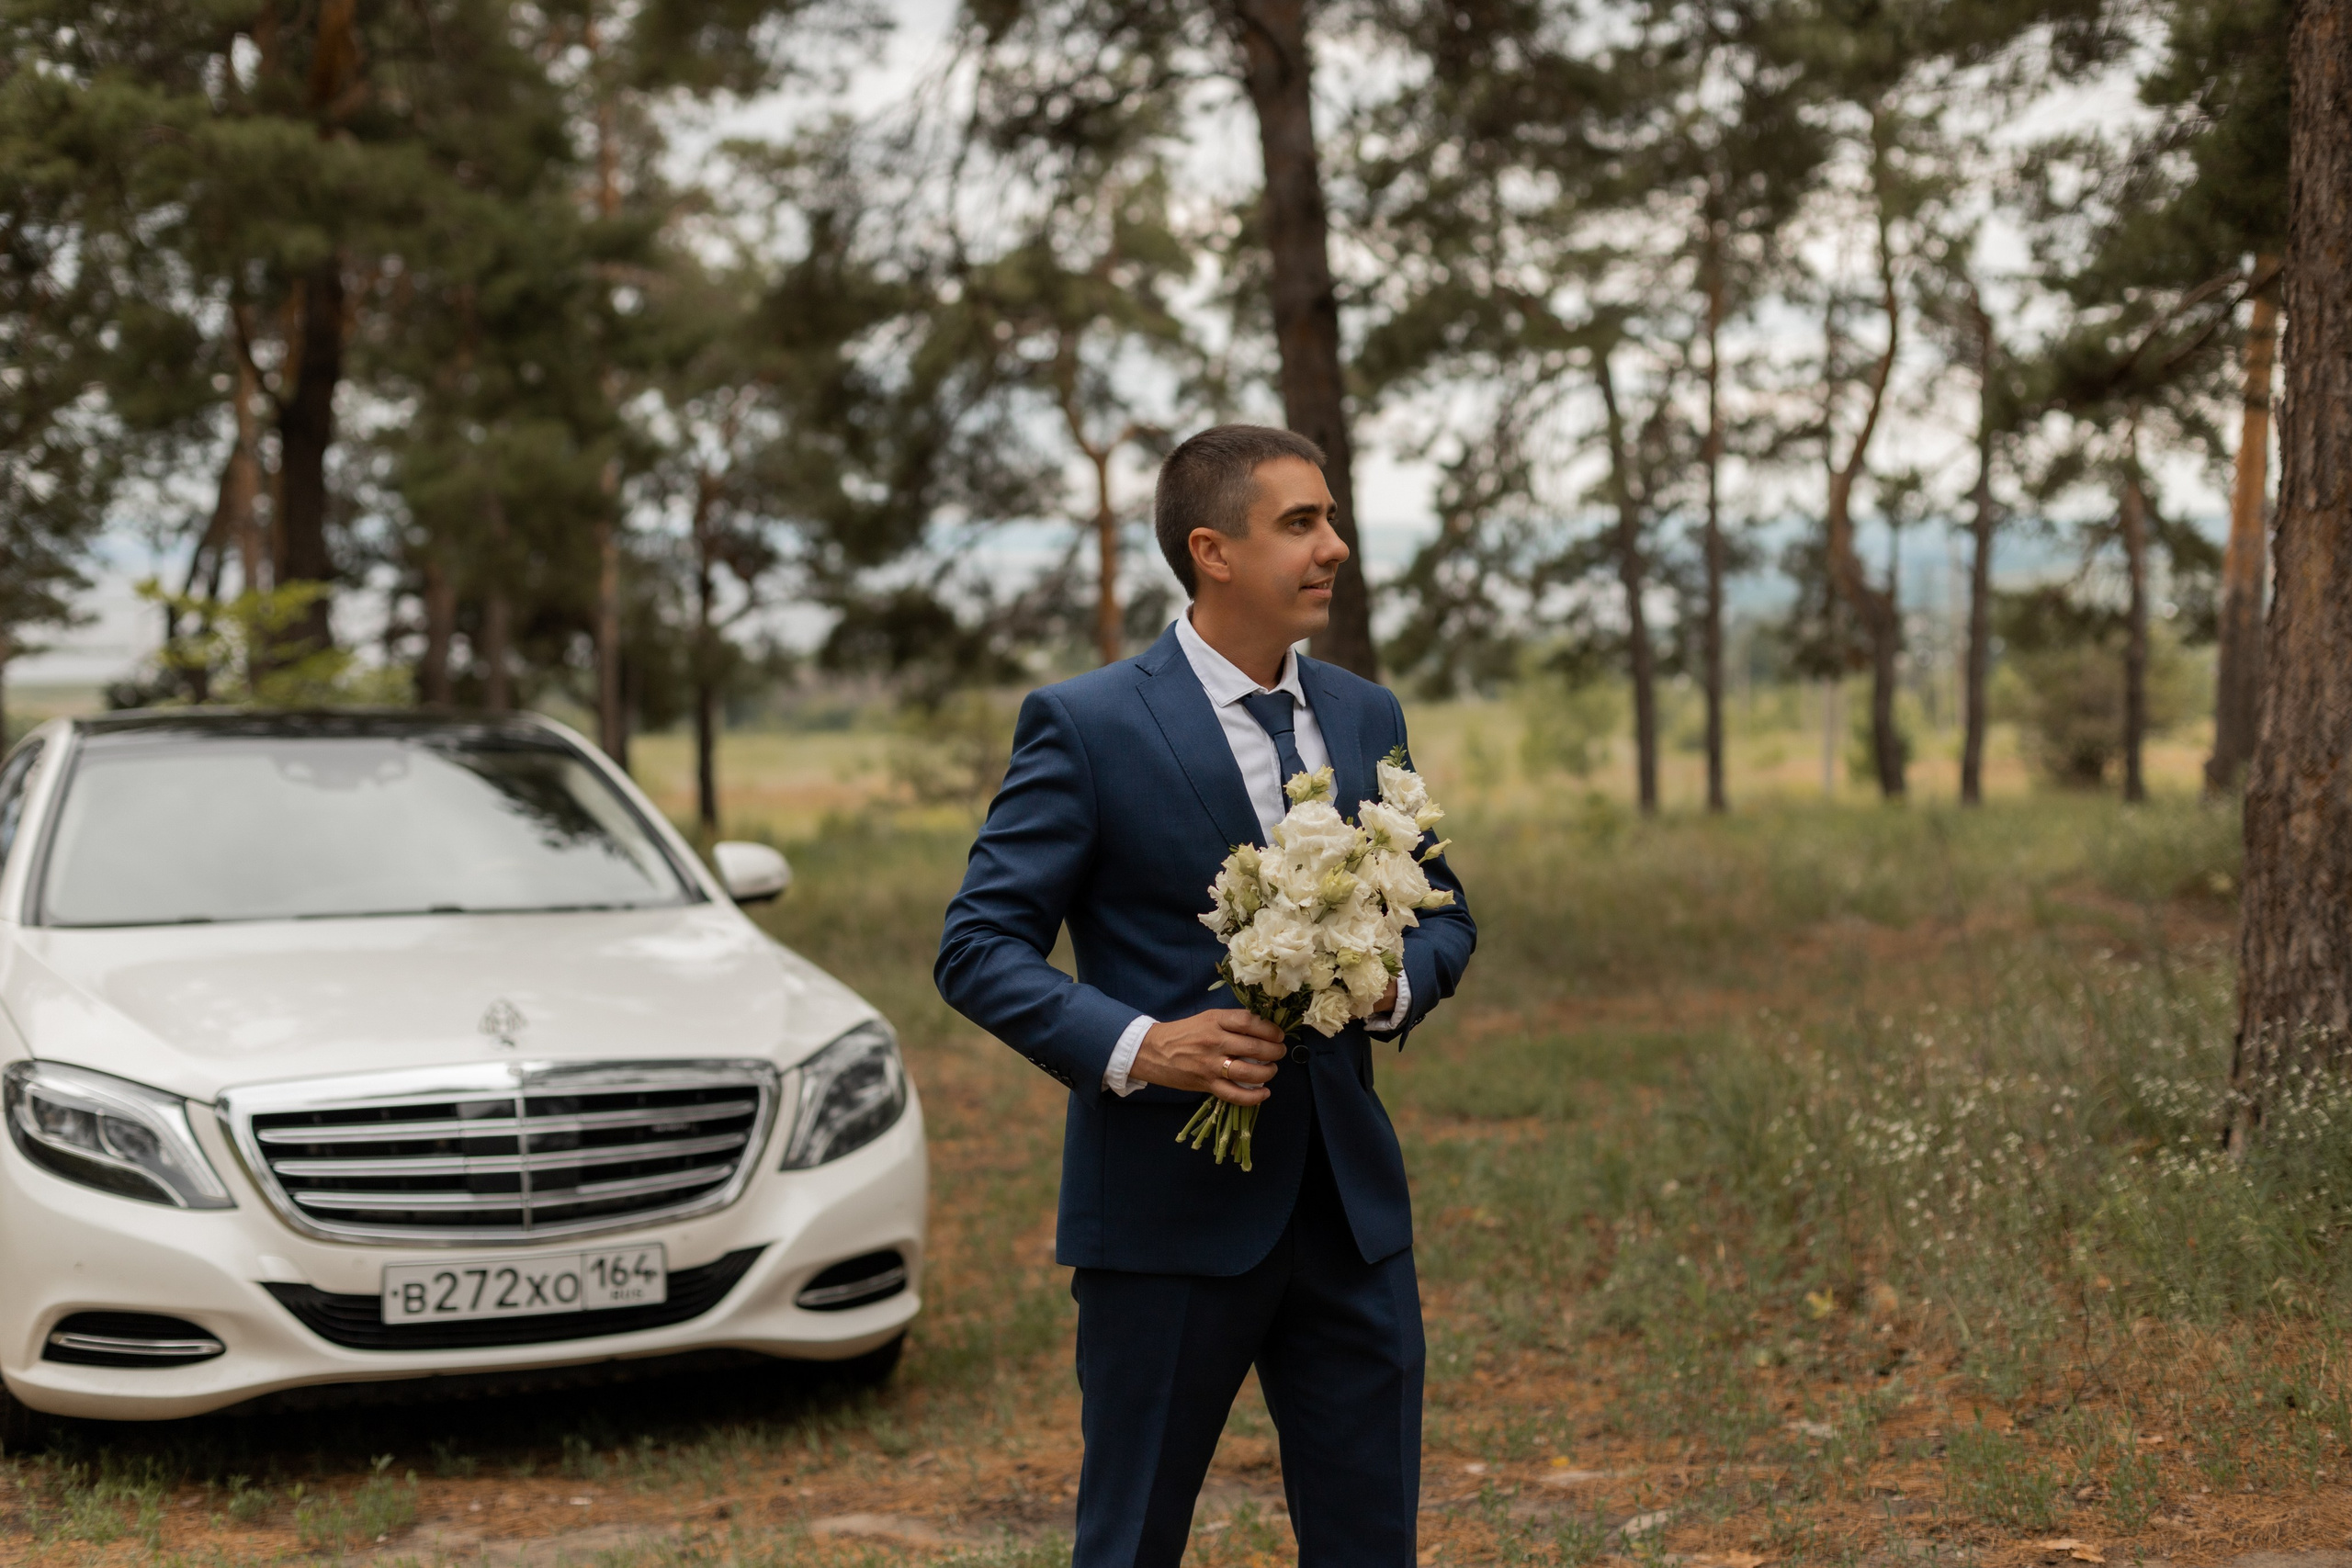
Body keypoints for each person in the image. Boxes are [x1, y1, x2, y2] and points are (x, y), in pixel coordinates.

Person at [934, 423, 1476, 1567]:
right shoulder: (1086, 724)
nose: (1333, 546)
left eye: (1330, 519)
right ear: (1211, 551)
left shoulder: (1367, 714)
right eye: (1300, 523)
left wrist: (1386, 990)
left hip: (1350, 1215)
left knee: (1372, 1541)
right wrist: (1144, 1047)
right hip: (1162, 1217)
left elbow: (1443, 909)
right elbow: (978, 946)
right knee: (1131, 1540)